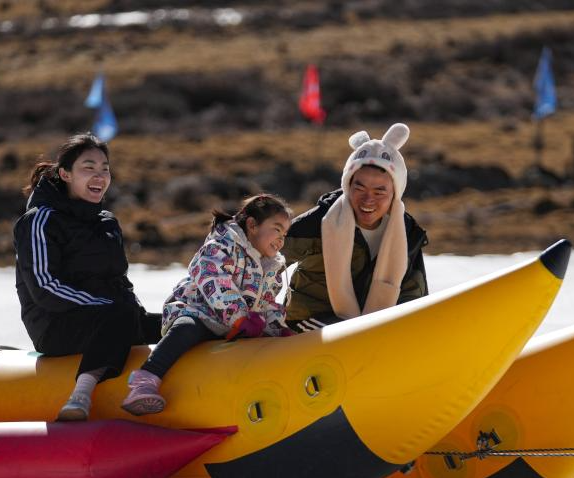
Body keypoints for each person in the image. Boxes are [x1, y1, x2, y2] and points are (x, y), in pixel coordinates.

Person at [13, 133, 162, 422]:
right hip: (55, 325)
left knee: (176, 321)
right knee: (118, 314)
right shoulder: (39, 219)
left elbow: (119, 282)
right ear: (65, 174)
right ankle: (80, 395)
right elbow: (44, 286)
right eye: (88, 168)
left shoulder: (107, 221)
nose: (100, 175)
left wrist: (134, 313)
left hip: (110, 317)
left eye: (105, 168)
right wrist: (109, 306)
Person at [122, 194, 295, 415]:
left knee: (261, 343)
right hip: (198, 309)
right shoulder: (221, 245)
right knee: (188, 327)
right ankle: (146, 378)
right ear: (252, 225)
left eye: (285, 234)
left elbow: (267, 302)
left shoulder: (271, 267)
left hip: (235, 325)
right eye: (277, 229)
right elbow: (212, 278)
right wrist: (238, 315)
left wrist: (277, 328)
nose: (281, 239)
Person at [284, 123, 428, 329]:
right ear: (347, 185)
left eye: (379, 192)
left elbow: (414, 296)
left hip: (373, 332)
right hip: (309, 325)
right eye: (359, 188)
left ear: (395, 194)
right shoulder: (322, 220)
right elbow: (265, 255)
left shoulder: (407, 234)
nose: (368, 200)